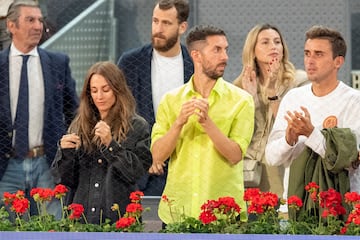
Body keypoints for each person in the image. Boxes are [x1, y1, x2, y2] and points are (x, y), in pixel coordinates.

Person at [150, 25, 255, 224]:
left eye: (226, 49)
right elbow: (158, 155)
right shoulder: (171, 100)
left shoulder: (241, 101)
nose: (225, 56)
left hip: (223, 214)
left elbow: (235, 155)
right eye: (217, 50)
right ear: (196, 55)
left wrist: (207, 123)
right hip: (177, 211)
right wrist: (179, 123)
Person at [265, 25, 360, 209]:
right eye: (307, 53)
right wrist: (288, 139)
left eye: (318, 54)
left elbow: (352, 161)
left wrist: (311, 134)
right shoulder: (293, 98)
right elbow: (271, 157)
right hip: (294, 209)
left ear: (338, 62)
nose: (310, 61)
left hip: (341, 209)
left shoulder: (354, 102)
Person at [0, 0, 79, 218]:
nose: (38, 26)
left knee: (52, 226)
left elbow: (74, 111)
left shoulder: (57, 63)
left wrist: (68, 151)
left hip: (48, 163)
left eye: (40, 20)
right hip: (6, 166)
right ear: (11, 25)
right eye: (30, 20)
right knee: (8, 227)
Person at [51, 61, 152, 224]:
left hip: (118, 218)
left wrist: (110, 145)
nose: (99, 96)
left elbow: (136, 172)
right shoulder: (79, 124)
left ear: (118, 90)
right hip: (81, 217)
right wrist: (65, 152)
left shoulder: (136, 125)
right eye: (94, 90)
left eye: (106, 90)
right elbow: (64, 179)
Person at [117, 0, 194, 196]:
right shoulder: (130, 62)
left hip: (186, 166)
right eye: (155, 21)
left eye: (166, 23)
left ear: (182, 27)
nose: (158, 29)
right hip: (142, 171)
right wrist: (147, 157)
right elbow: (120, 113)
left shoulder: (195, 65)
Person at [233, 23, 308, 197]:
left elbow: (292, 126)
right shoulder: (239, 86)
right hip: (251, 167)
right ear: (252, 50)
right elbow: (241, 131)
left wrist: (273, 90)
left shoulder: (298, 81)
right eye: (265, 42)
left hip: (285, 163)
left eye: (277, 42)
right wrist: (250, 98)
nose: (273, 46)